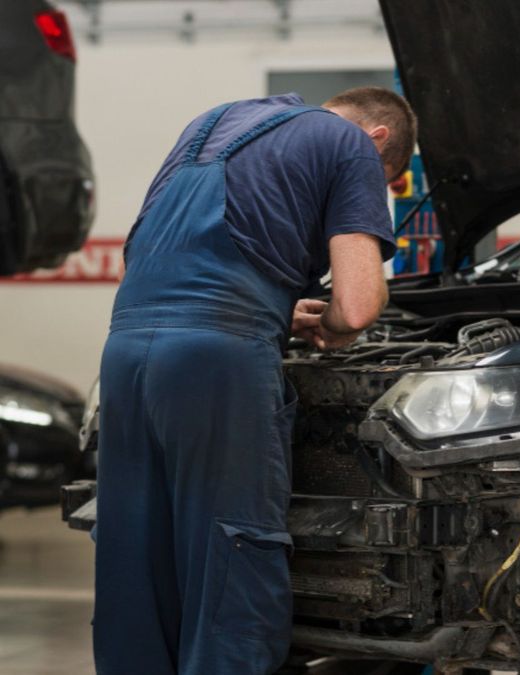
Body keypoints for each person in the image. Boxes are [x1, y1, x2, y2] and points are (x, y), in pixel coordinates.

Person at [92, 87, 416, 674]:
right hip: (217, 362)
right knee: (232, 552)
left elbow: (166, 256)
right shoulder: (352, 146)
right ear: (379, 141)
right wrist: (331, 326)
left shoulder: (212, 123)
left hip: (126, 352)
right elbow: (362, 304)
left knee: (134, 556)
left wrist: (271, 305)